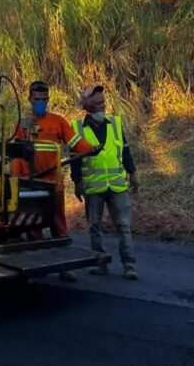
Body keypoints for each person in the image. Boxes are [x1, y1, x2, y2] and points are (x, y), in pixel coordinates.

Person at [11, 80, 94, 282]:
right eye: (37, 99)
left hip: (53, 182)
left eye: (44, 99)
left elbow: (75, 142)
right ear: (30, 99)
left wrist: (90, 148)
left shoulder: (58, 121)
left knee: (58, 223)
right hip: (30, 182)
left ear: (48, 100)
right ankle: (37, 267)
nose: (41, 102)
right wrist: (16, 180)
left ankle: (64, 267)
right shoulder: (24, 124)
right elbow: (16, 153)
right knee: (32, 225)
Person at [71, 86, 139, 280]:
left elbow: (125, 151)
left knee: (123, 227)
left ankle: (129, 265)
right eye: (98, 102)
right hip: (93, 187)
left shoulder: (115, 124)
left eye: (103, 102)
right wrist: (77, 182)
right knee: (94, 226)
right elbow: (75, 159)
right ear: (87, 106)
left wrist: (133, 174)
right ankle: (100, 263)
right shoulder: (78, 128)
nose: (103, 105)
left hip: (117, 186)